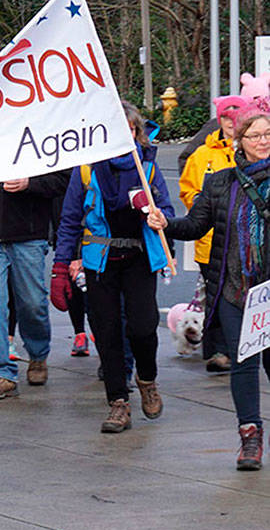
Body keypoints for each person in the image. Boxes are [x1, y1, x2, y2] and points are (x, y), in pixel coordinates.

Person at [150, 104, 270, 469]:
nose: (263, 141)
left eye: (268, 134)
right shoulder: (220, 182)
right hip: (235, 290)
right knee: (243, 364)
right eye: (255, 135)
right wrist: (165, 222)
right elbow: (195, 226)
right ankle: (250, 438)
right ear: (239, 141)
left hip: (269, 292)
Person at [52, 102, 174, 433]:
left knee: (143, 328)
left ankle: (147, 379)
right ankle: (118, 402)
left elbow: (167, 210)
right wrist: (60, 267)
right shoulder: (86, 169)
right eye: (114, 129)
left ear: (136, 132)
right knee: (107, 333)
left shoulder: (147, 168)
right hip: (100, 261)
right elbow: (70, 220)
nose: (122, 135)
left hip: (139, 258)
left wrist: (159, 216)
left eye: (128, 129)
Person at [0, 170, 69, 399]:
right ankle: (3, 373)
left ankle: (38, 354)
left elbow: (63, 179)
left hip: (29, 235)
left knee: (33, 303)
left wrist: (30, 183)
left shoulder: (35, 147)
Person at [177, 94, 249, 372]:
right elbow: (188, 189)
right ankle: (220, 351)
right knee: (217, 296)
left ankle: (246, 347)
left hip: (248, 243)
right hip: (211, 242)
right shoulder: (202, 154)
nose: (232, 123)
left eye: (237, 118)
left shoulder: (254, 149)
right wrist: (200, 204)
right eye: (226, 118)